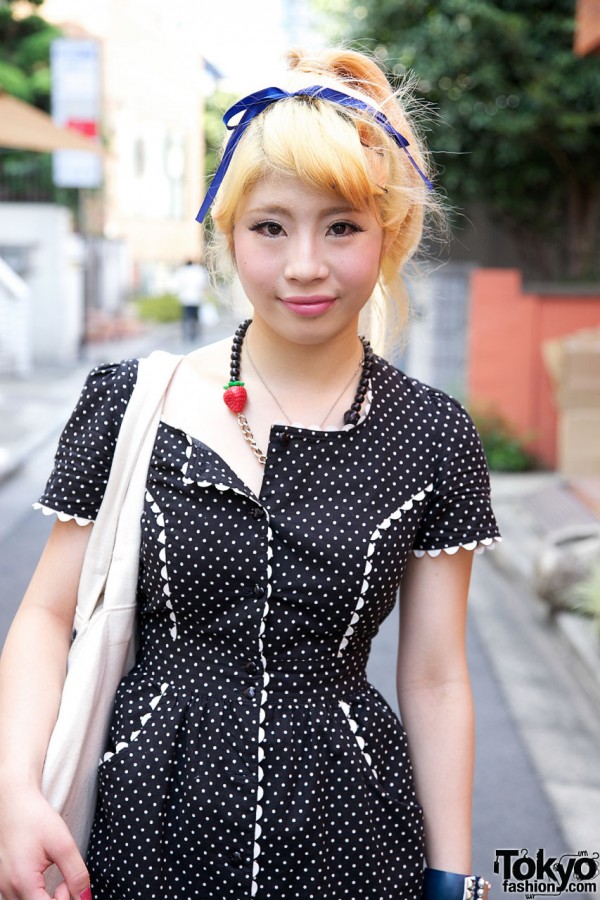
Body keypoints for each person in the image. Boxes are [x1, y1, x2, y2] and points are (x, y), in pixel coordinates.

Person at [0, 47, 500, 899]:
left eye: (341, 225)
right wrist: (14, 793)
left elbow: (437, 674)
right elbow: (48, 615)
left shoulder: (433, 434)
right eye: (271, 226)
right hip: (142, 821)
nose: (305, 263)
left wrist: (451, 873)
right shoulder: (135, 402)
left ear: (389, 235)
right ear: (229, 234)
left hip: (352, 832)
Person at [172, 258, 208, 343]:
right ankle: (195, 335)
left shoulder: (182, 272)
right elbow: (203, 283)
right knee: (196, 318)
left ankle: (186, 335)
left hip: (185, 299)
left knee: (186, 318)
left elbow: (177, 285)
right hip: (197, 298)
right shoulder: (198, 271)